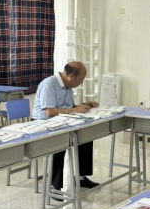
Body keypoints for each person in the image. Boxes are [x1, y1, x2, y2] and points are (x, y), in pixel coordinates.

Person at [32, 61, 99, 194]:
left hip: (61, 122)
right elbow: (50, 112)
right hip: (42, 124)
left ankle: (80, 178)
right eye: (81, 80)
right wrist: (74, 110)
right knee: (60, 142)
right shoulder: (49, 84)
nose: (81, 83)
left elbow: (68, 107)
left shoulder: (68, 86)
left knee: (86, 136)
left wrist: (86, 106)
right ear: (72, 76)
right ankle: (54, 186)